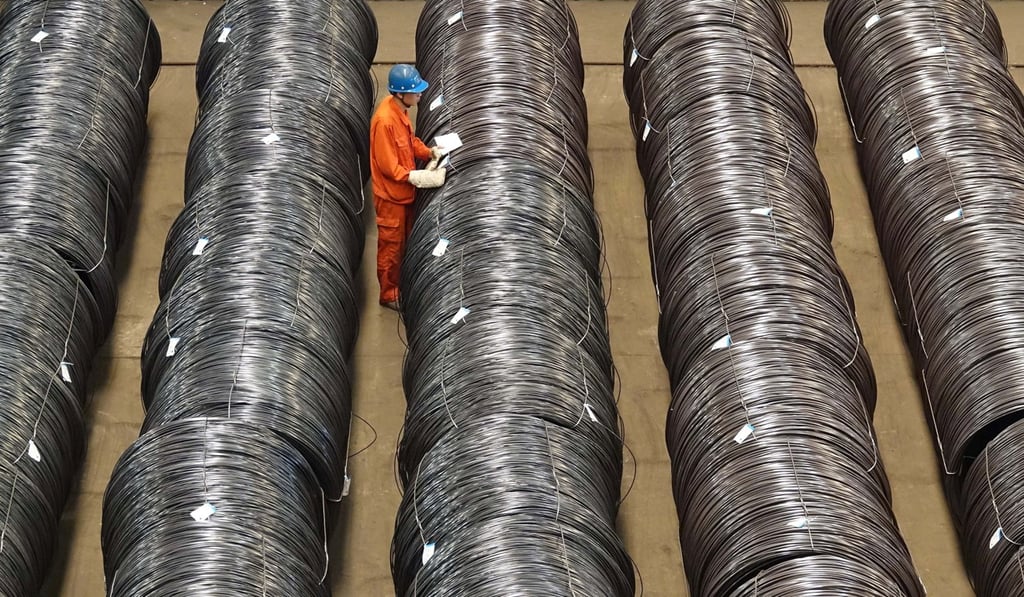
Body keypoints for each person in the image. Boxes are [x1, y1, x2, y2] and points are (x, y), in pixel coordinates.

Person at [370, 64, 447, 311]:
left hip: (404, 195)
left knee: (405, 243)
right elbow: (389, 168)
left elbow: (409, 142)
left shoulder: (400, 111)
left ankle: (403, 284)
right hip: (391, 199)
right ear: (401, 93)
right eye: (416, 91)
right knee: (391, 248)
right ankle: (389, 294)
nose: (420, 95)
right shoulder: (384, 121)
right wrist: (416, 176)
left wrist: (428, 152)